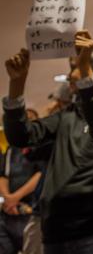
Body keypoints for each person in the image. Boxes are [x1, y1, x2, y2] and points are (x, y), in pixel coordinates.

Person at [3, 30, 93, 254]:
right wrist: (16, 86)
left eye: (75, 67)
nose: (69, 76)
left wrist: (86, 76)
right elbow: (20, 136)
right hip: (58, 230)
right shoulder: (67, 115)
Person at [0, 108, 42, 254]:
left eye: (30, 119)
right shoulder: (11, 149)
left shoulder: (41, 146)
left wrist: (15, 197)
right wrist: (8, 199)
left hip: (31, 211)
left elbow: (41, 174)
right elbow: (3, 175)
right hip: (8, 212)